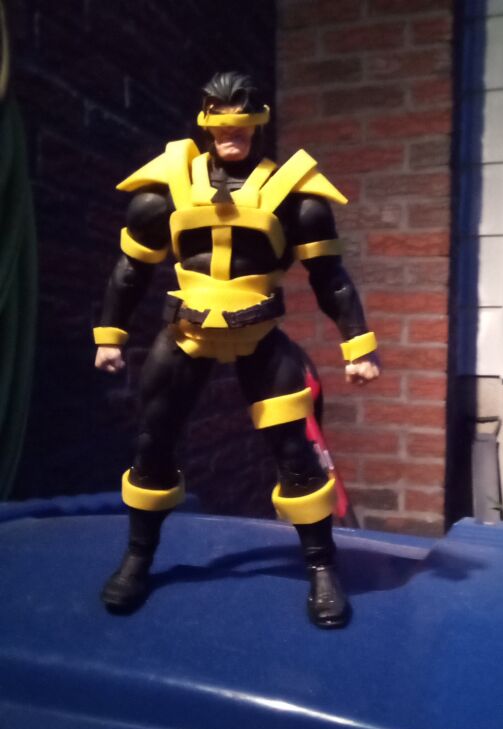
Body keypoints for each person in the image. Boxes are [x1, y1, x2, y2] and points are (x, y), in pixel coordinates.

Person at [94, 72, 379, 628]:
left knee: (295, 451)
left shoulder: (296, 200)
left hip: (260, 338)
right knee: (152, 444)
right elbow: (129, 271)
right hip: (186, 336)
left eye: (241, 120)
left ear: (258, 122)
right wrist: (111, 334)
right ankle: (137, 558)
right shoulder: (165, 191)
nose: (231, 132)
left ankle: (321, 566)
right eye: (221, 120)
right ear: (206, 122)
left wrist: (357, 344)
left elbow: (331, 279)